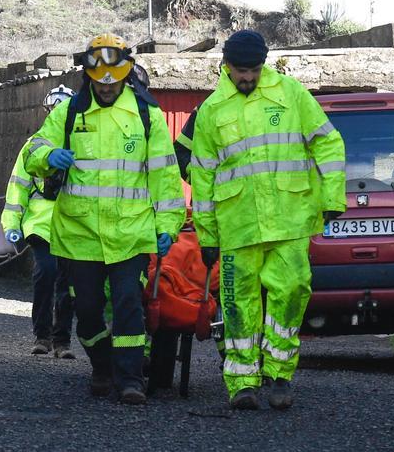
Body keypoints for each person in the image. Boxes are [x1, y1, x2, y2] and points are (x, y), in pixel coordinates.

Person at [188, 30, 346, 411]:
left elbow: (328, 141)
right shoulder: (211, 111)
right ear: (226, 67)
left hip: (290, 219)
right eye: (241, 71)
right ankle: (242, 382)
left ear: (264, 65)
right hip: (237, 226)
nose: (248, 77)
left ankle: (279, 374)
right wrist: (207, 236)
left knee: (292, 292)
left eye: (254, 70)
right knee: (239, 306)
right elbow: (202, 177)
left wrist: (332, 196)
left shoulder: (291, 95)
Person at [25, 34, 185, 405]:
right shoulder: (69, 114)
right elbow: (33, 149)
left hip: (130, 234)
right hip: (81, 235)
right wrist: (50, 156)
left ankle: (131, 380)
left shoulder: (147, 115)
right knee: (88, 310)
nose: (108, 89)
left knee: (129, 303)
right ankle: (102, 366)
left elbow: (163, 176)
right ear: (90, 78)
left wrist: (168, 225)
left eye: (114, 82)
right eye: (101, 83)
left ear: (126, 76)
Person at [3, 85, 77, 358]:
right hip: (40, 224)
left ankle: (62, 342)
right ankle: (42, 336)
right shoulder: (34, 146)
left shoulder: (80, 143)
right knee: (46, 274)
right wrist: (11, 224)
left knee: (68, 283)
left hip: (72, 224)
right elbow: (17, 188)